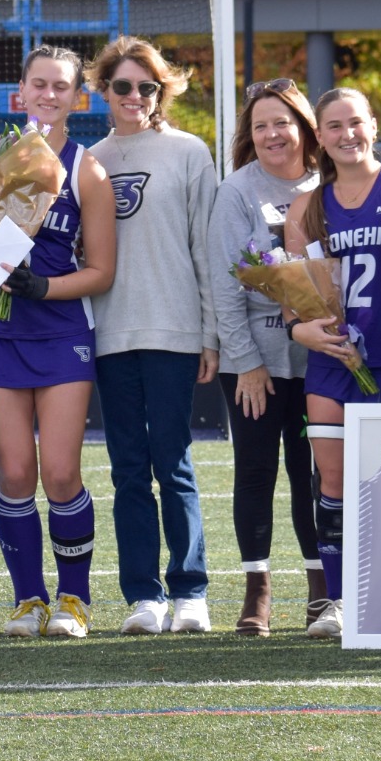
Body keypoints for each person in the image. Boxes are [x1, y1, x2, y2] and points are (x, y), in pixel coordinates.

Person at [0, 46, 118, 640]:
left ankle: (74, 599)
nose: (49, 95)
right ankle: (27, 600)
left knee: (59, 474)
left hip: (61, 333)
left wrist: (44, 287)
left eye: (61, 87)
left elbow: (102, 272)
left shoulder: (88, 170)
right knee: (14, 474)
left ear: (77, 98)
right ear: (21, 91)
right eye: (39, 84)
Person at [85, 36, 219, 636]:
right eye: (122, 86)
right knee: (127, 470)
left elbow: (206, 248)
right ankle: (144, 595)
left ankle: (190, 591)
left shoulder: (190, 152)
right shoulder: (88, 160)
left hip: (174, 330)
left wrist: (211, 334)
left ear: (162, 91)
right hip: (110, 333)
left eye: (147, 86)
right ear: (104, 90)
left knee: (175, 462)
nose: (135, 96)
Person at [287, 88, 381, 640]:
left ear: (374, 126)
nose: (346, 134)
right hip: (333, 362)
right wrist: (302, 330)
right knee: (332, 480)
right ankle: (337, 600)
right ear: (320, 137)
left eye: (355, 122)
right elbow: (295, 300)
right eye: (333, 126)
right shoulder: (306, 207)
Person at [210, 78, 322, 635]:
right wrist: (248, 362)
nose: (272, 134)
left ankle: (322, 588)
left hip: (321, 359)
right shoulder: (237, 190)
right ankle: (257, 590)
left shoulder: (330, 181)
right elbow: (226, 283)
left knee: (314, 474)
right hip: (256, 360)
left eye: (282, 122)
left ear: (304, 126)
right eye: (260, 126)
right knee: (255, 471)